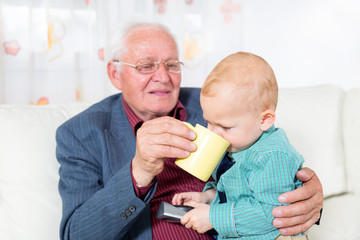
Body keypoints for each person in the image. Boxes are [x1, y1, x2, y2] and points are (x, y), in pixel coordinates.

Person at [56, 21, 323, 240]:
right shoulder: (81, 133)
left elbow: (267, 173)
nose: (163, 76)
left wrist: (307, 196)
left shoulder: (218, 104)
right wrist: (138, 173)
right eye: (146, 66)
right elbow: (77, 235)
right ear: (115, 75)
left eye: (172, 65)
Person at [172, 52, 311, 239]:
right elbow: (239, 195)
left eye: (225, 126)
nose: (213, 132)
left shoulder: (273, 156)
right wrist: (208, 198)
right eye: (209, 122)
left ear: (264, 120)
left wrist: (213, 217)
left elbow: (271, 213)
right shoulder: (236, 145)